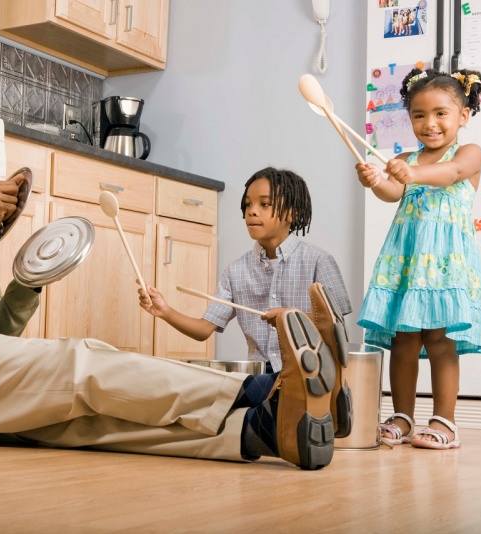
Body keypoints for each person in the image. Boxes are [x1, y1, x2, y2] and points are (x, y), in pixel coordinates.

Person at [0, 105, 348, 471]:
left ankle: (259, 432)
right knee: (77, 363)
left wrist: (29, 282)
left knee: (84, 421)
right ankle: (262, 391)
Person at [138, 167, 353, 436]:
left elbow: (336, 330)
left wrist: (291, 319)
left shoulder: (319, 262)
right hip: (260, 376)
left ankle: (272, 418)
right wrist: (165, 311)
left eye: (264, 204)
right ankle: (279, 423)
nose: (252, 211)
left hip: (307, 373)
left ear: (293, 214)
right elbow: (204, 330)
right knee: (211, 384)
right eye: (248, 204)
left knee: (226, 399)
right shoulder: (236, 270)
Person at [355, 68, 481, 450]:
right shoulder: (408, 158)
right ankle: (402, 415)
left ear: (464, 115)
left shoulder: (469, 153)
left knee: (440, 341)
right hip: (407, 262)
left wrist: (413, 172)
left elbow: (450, 173)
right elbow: (393, 191)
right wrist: (375, 180)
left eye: (441, 113)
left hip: (444, 263)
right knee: (403, 340)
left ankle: (446, 421)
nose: (430, 123)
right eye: (419, 115)